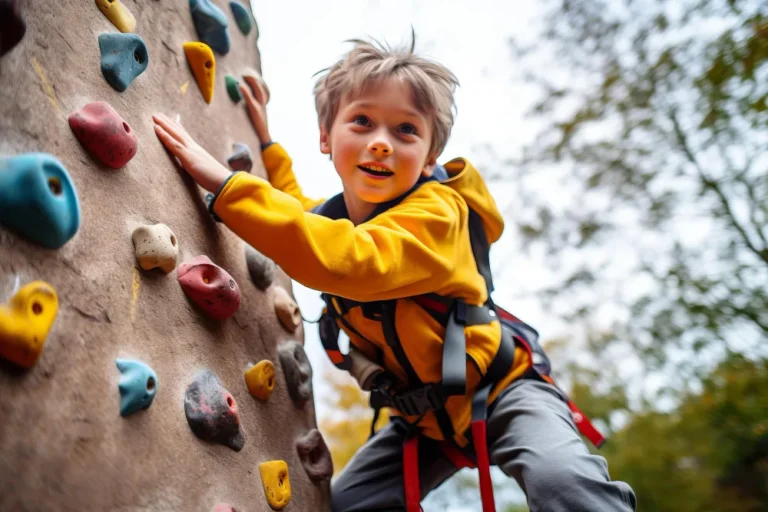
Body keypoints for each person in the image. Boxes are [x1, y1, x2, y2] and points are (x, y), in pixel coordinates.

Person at [152, 35, 636, 512]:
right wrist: (266, 141)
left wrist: (224, 180)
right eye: (361, 121)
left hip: (502, 391)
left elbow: (346, 257)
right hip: (422, 422)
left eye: (406, 130)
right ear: (326, 137)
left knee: (562, 483)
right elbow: (297, 209)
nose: (381, 143)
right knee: (345, 505)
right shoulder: (338, 217)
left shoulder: (439, 214)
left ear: (429, 159)